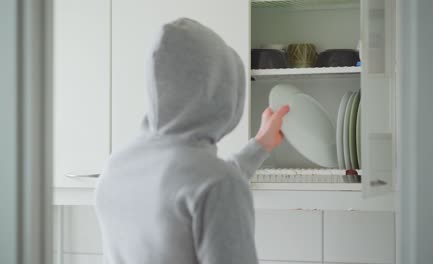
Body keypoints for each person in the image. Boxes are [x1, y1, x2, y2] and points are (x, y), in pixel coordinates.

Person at [95, 18, 289, 264]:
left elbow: (193, 183)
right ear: (221, 90)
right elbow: (210, 184)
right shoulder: (217, 182)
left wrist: (261, 145)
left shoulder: (117, 167)